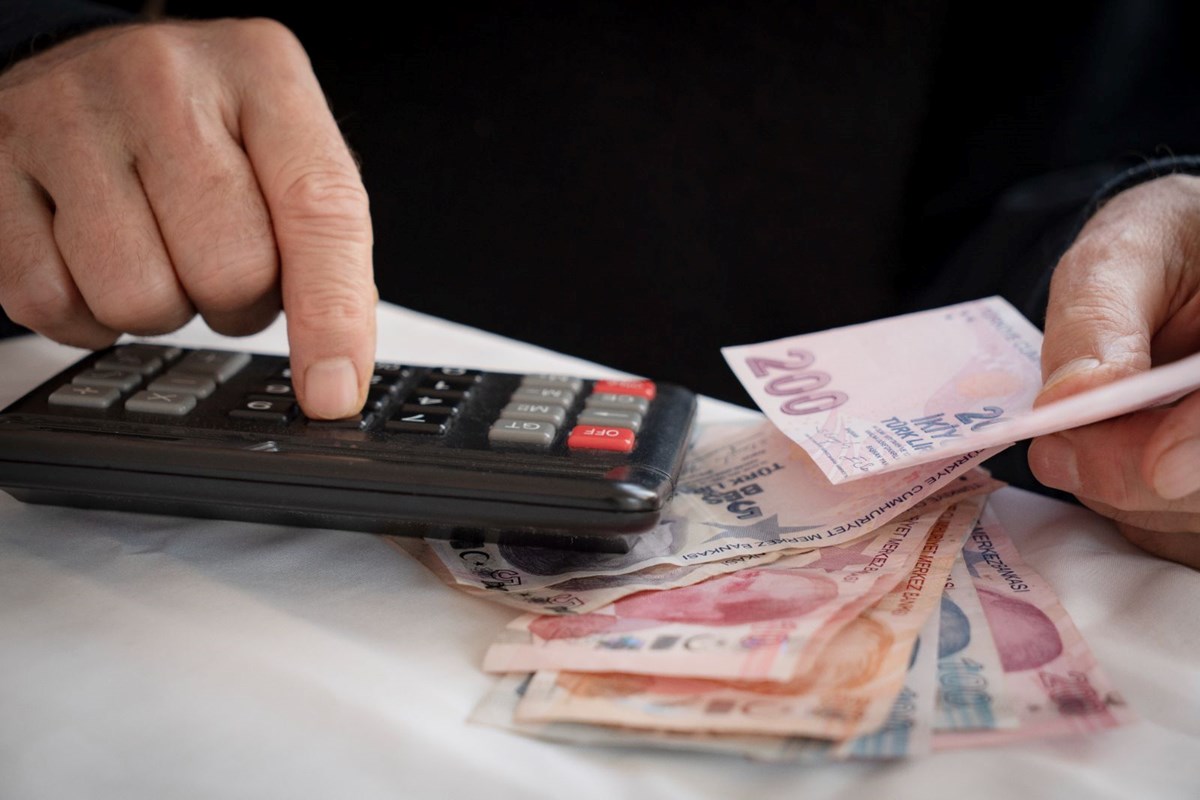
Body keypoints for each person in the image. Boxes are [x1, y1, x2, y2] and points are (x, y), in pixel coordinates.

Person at [0, 2, 1196, 565]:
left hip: (783, 493)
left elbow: (1048, 160)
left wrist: (1144, 268)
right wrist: (38, 43)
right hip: (148, 524)